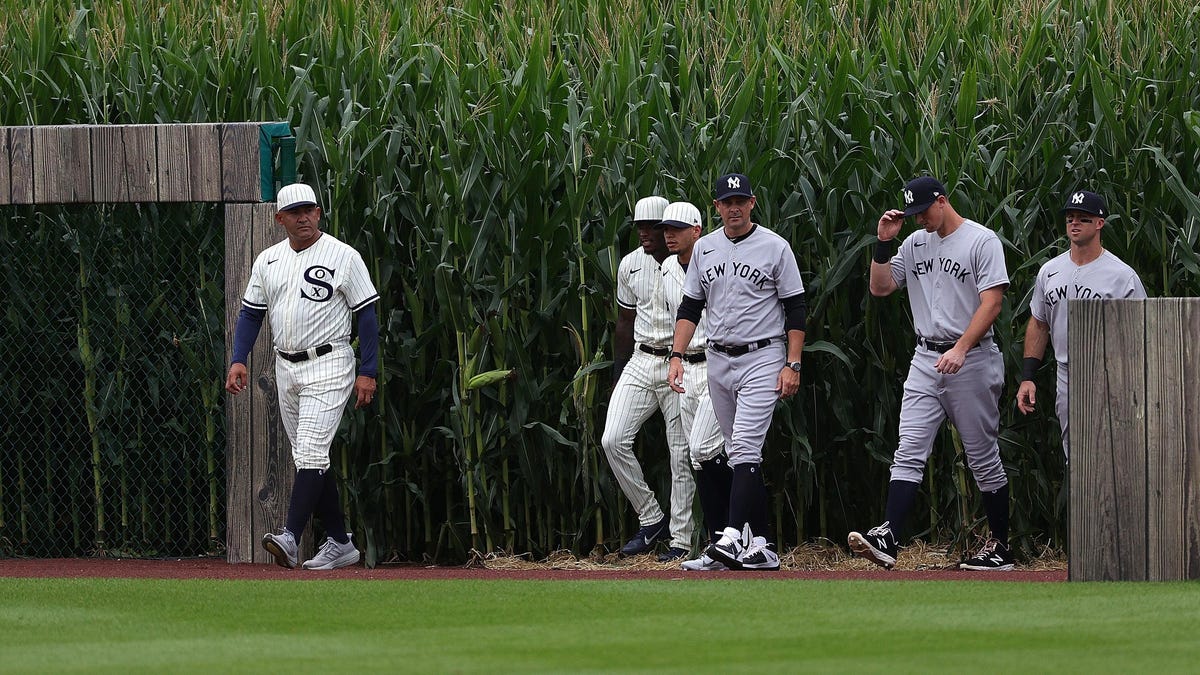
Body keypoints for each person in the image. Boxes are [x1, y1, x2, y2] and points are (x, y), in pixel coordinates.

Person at [849, 176, 1013, 571]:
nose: (918, 218)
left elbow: (992, 303)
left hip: (971, 357)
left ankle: (1002, 548)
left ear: (943, 201)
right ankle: (889, 535)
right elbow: (881, 287)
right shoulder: (914, 241)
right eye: (913, 213)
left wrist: (961, 347)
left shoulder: (981, 240)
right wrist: (884, 242)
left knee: (982, 457)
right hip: (925, 357)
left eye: (923, 210)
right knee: (908, 449)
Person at [225, 183, 379, 570]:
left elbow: (367, 315)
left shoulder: (343, 256)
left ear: (319, 213)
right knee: (311, 454)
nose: (304, 217)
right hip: (285, 365)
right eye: (295, 212)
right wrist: (238, 358)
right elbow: (250, 313)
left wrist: (368, 371)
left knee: (309, 450)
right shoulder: (269, 260)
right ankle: (340, 542)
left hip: (330, 361)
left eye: (309, 209)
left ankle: (290, 538)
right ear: (280, 219)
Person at [667, 173, 807, 571]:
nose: (733, 208)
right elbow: (691, 307)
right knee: (738, 454)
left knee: (744, 447)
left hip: (763, 356)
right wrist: (676, 355)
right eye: (726, 202)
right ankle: (759, 545)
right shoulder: (706, 248)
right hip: (719, 359)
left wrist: (792, 363)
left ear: (752, 203)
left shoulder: (775, 247)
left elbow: (795, 307)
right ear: (716, 207)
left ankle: (729, 536)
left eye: (740, 200)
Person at [1017, 190, 1147, 457]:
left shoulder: (1122, 276)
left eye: (1083, 218)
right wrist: (1028, 377)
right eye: (1070, 218)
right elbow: (1040, 323)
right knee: (1074, 454)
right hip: (1067, 373)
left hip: (1111, 374)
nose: (1074, 223)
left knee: (1116, 452)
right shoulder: (1049, 271)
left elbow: (1143, 330)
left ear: (1100, 223)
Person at [601, 196, 696, 560]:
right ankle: (651, 517)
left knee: (680, 454)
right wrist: (617, 372)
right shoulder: (630, 265)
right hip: (641, 360)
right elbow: (624, 324)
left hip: (678, 363)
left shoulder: (687, 265)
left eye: (652, 226)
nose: (645, 232)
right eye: (638, 226)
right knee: (613, 439)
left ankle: (681, 541)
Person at [657, 201, 732, 571]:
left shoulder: (717, 261)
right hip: (687, 367)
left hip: (718, 365)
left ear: (697, 231)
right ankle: (719, 540)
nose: (668, 234)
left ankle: (738, 531)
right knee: (697, 460)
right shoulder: (667, 268)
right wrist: (674, 358)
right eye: (665, 228)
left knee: (708, 449)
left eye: (676, 228)